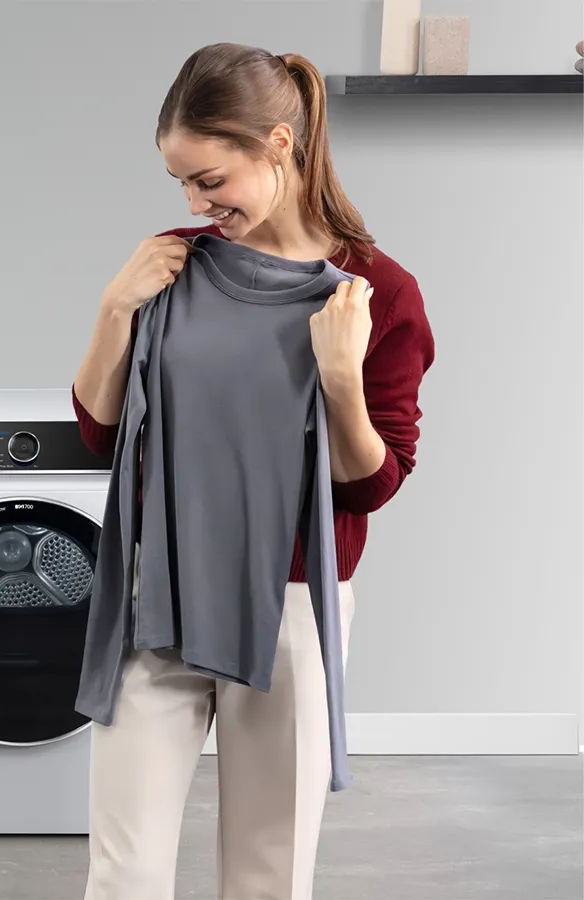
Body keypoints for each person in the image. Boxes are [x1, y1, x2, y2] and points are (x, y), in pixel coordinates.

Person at [70, 43, 435, 900]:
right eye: (182, 184)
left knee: (269, 873)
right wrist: (114, 308)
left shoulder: (379, 292)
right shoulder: (171, 265)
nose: (197, 204)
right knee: (124, 872)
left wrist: (341, 377)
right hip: (159, 590)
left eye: (210, 180)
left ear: (278, 144)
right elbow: (99, 431)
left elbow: (372, 484)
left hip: (293, 603)